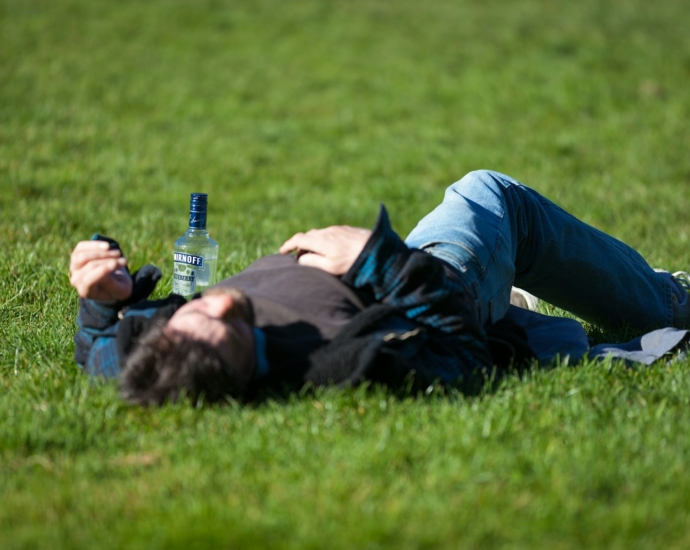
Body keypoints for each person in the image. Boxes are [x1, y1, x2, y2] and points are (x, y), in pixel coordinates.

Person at [70, 171, 690, 405]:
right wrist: (375, 260)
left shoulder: (155, 358)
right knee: (487, 195)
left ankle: (518, 302)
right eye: (233, 328)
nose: (224, 301)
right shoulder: (346, 365)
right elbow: (460, 351)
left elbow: (101, 346)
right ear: (241, 373)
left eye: (194, 313)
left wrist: (102, 296)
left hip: (395, 271)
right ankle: (670, 300)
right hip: (429, 282)